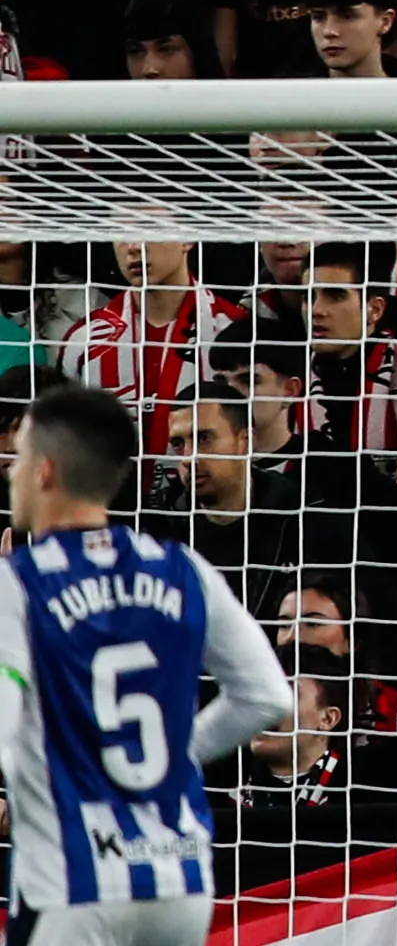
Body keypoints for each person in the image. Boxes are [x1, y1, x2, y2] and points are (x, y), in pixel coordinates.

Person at [0, 377, 293, 944]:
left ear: (45, 471)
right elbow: (267, 696)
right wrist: (173, 752)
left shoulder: (19, 584)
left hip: (73, 883)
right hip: (177, 876)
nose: (10, 473)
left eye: (19, 459)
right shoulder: (183, 569)